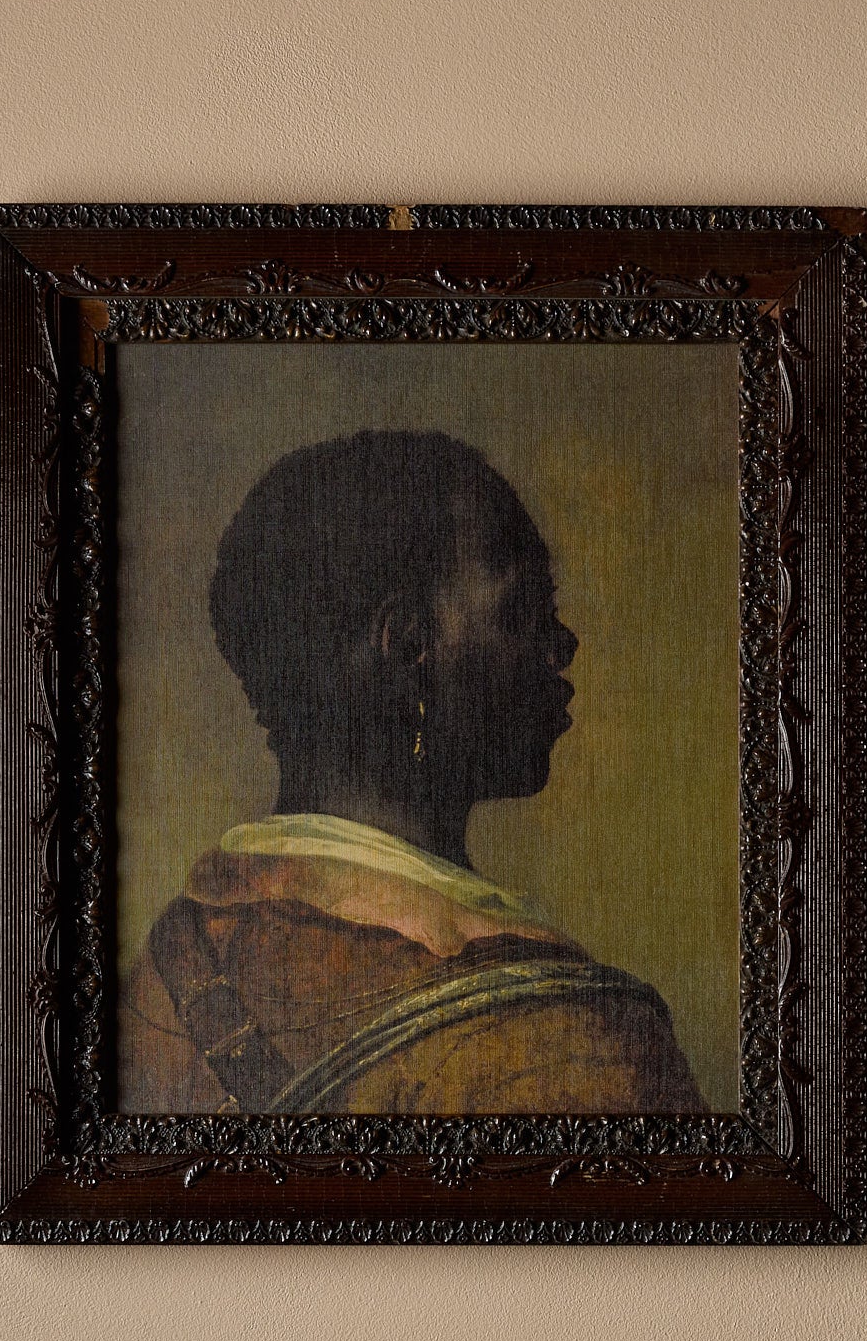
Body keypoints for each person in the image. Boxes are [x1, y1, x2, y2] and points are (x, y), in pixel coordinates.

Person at [107, 430, 706, 1114]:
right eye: (526, 609)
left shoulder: (164, 969)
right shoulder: (576, 1041)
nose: (563, 643)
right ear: (409, 642)